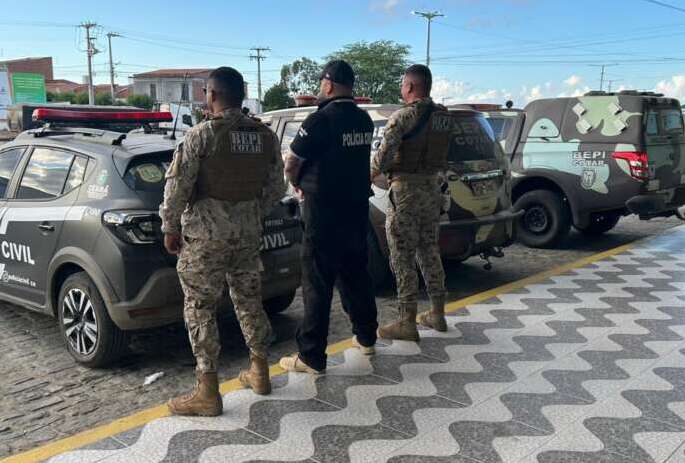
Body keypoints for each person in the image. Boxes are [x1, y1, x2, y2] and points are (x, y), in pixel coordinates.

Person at [161, 66, 285, 416]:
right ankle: (260, 371)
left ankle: (208, 391)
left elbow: (177, 187)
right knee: (249, 300)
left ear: (212, 95)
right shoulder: (265, 136)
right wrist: (250, 212)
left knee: (200, 307)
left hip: (206, 238)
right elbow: (277, 187)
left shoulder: (201, 135)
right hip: (247, 235)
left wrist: (170, 227)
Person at [280, 60, 378, 374]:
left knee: (317, 281)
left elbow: (292, 162)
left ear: (329, 84)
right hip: (356, 208)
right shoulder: (363, 120)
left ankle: (311, 356)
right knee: (356, 273)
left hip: (323, 210)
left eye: (322, 82)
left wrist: (296, 183)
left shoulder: (320, 119)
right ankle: (366, 336)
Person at [371, 64, 448, 342]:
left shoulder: (403, 116)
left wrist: (369, 172)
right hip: (432, 189)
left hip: (406, 193)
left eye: (403, 84)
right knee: (430, 251)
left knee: (402, 255)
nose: (402, 88)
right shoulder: (443, 117)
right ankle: (437, 313)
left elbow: (383, 158)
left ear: (411, 86)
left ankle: (407, 321)